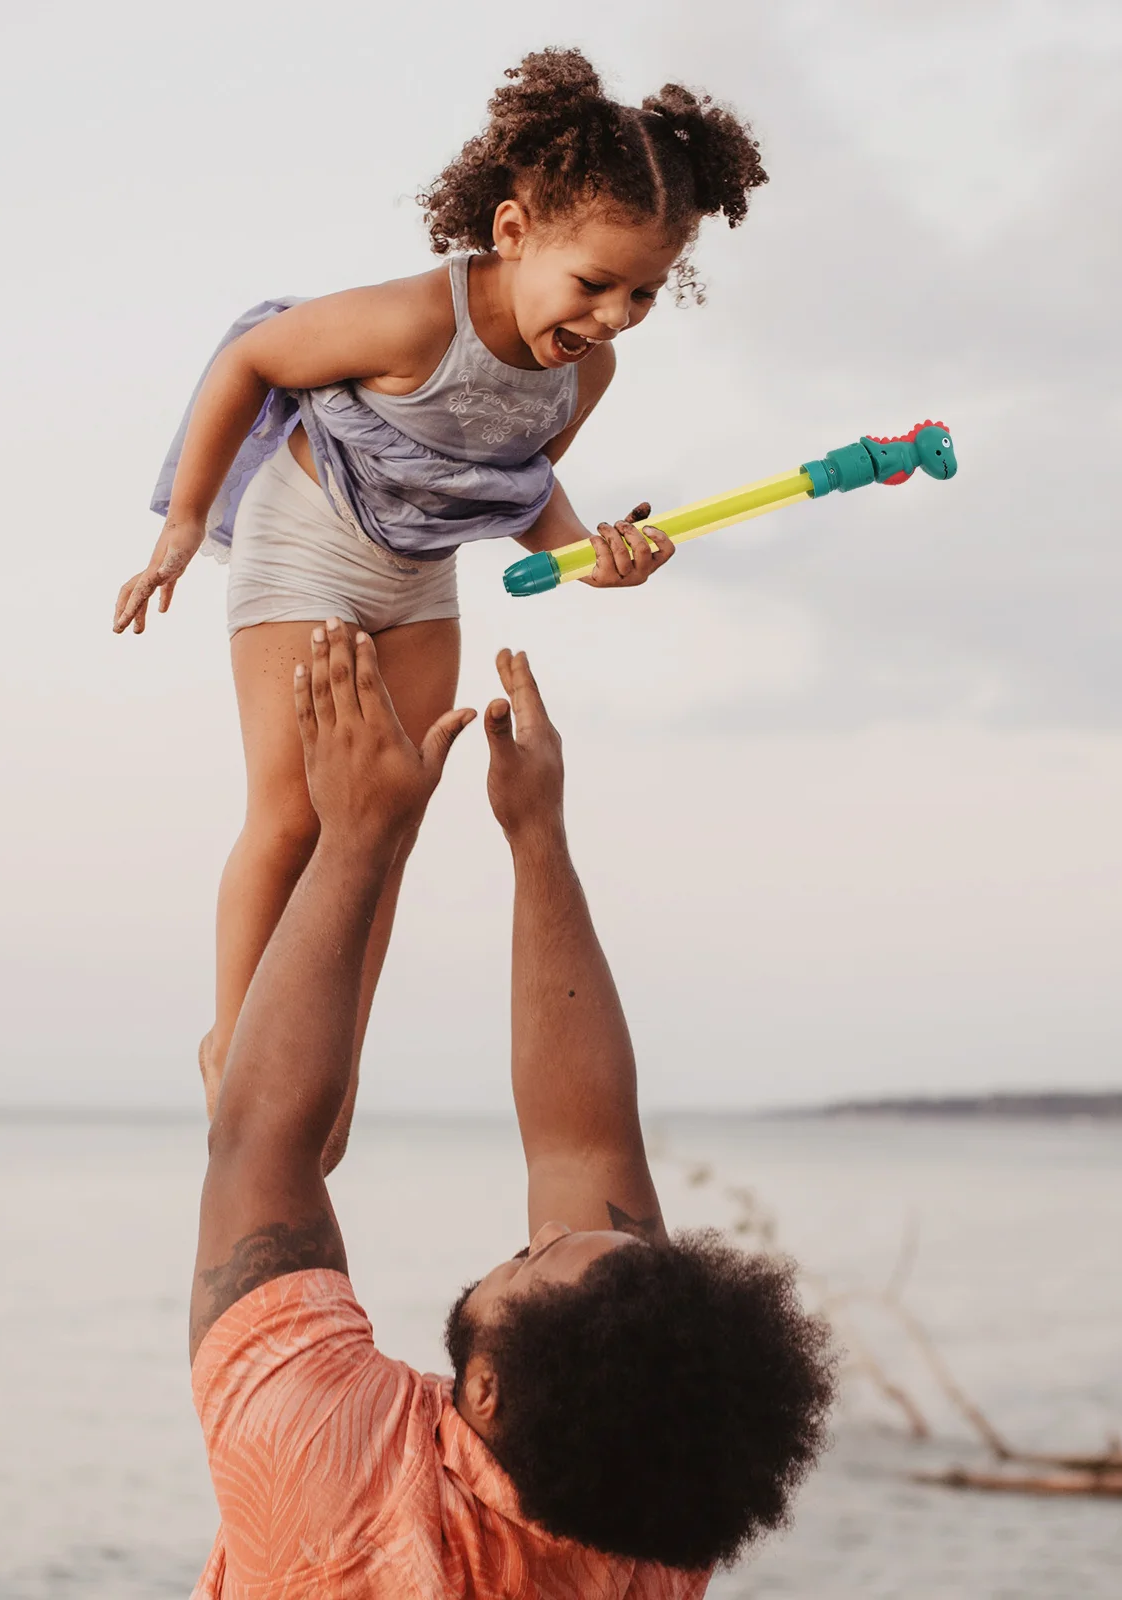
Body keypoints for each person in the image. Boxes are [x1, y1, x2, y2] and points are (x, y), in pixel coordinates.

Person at [112, 48, 770, 1170]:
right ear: (514, 234)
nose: (614, 315)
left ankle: (330, 1064)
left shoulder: (582, 375)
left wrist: (587, 557)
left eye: (644, 293)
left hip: (417, 573)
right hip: (308, 538)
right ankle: (234, 1045)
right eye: (595, 283)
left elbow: (514, 486)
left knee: (385, 823)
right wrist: (181, 522)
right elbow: (251, 359)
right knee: (292, 808)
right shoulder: (418, 319)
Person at [188, 622, 834, 1597]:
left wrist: (361, 832)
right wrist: (538, 837)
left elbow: (259, 1141)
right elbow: (586, 1138)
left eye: (536, 1260)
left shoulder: (331, 1470)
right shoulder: (649, 1506)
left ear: (485, 1391)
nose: (540, 1232)